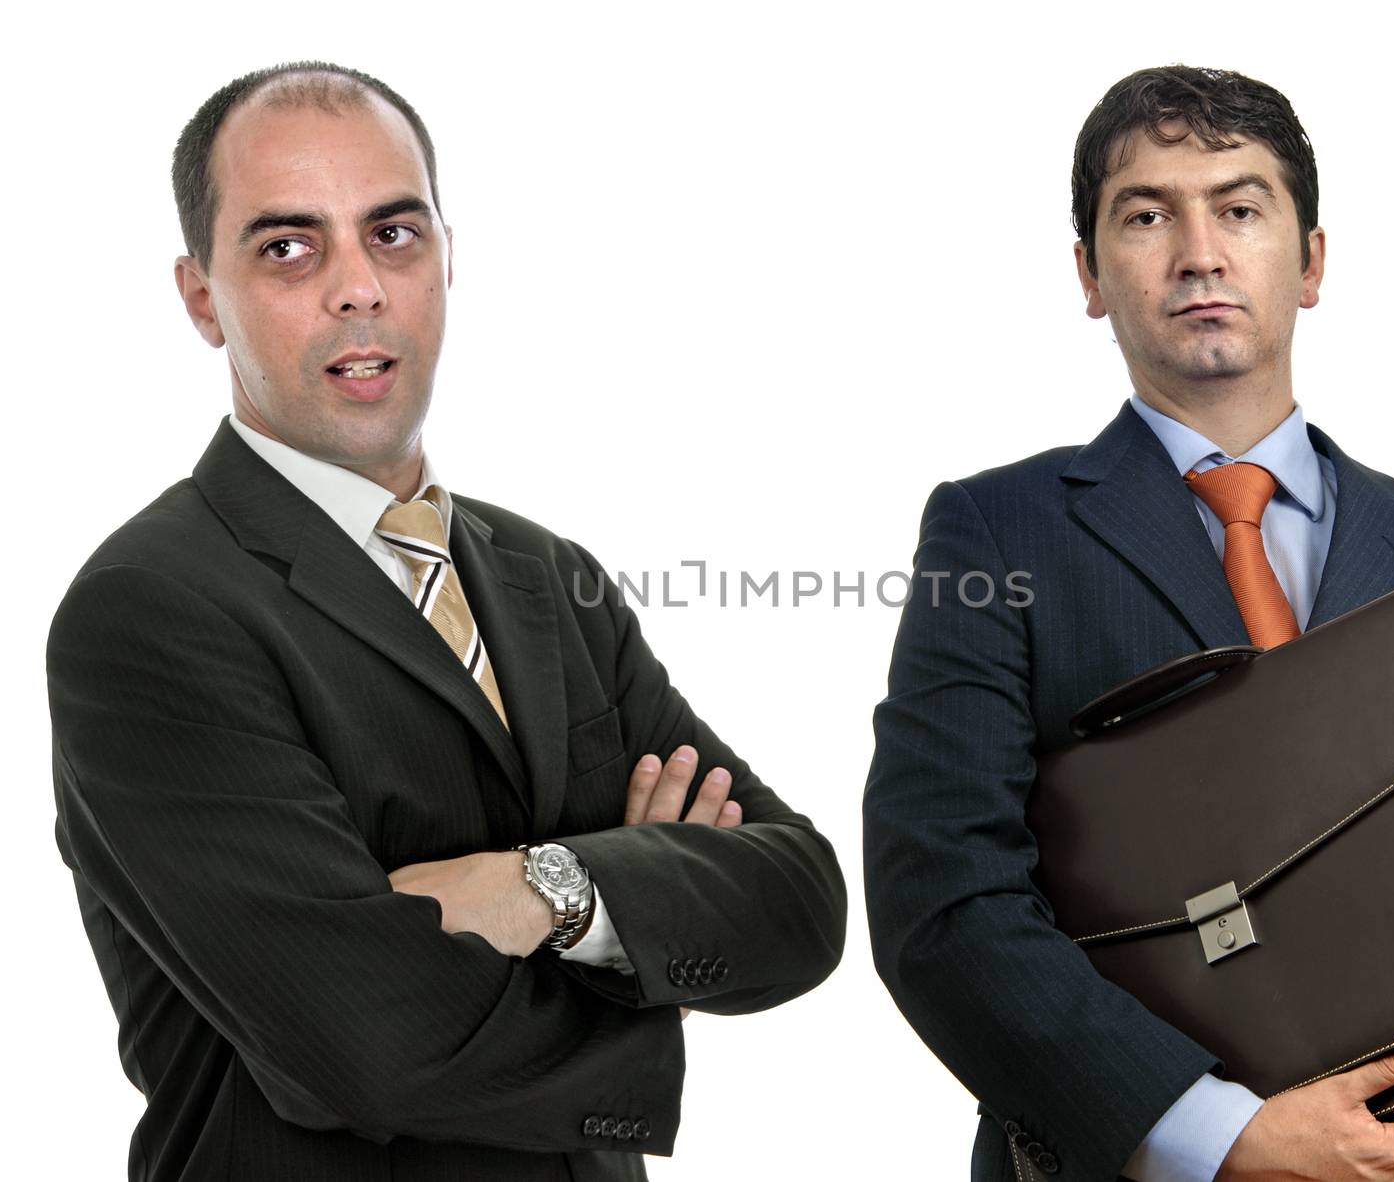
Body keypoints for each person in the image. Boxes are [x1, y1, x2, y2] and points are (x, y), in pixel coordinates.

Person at [47, 60, 847, 1182]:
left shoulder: (544, 574)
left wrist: (542, 890)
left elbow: (800, 900)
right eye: (288, 246)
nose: (357, 288)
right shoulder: (151, 611)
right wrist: (644, 911)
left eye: (393, 233)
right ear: (199, 296)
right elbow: (362, 1041)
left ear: (447, 257)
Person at [862, 65, 1394, 1182]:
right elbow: (943, 902)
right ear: (1089, 274)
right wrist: (1214, 1132)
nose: (1199, 251)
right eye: (1147, 214)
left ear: (1309, 262)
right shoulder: (994, 533)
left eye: (1240, 208)